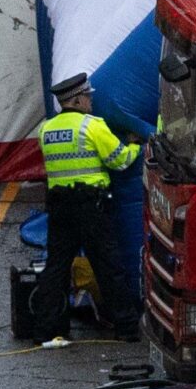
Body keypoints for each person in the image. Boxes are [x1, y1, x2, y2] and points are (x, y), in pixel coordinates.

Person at [31, 73, 142, 339]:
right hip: (91, 207)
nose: (91, 101)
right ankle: (126, 327)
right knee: (108, 265)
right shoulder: (92, 126)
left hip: (59, 207)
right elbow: (120, 161)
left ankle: (47, 329)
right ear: (78, 100)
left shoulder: (45, 129)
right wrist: (135, 145)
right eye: (88, 97)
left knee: (56, 266)